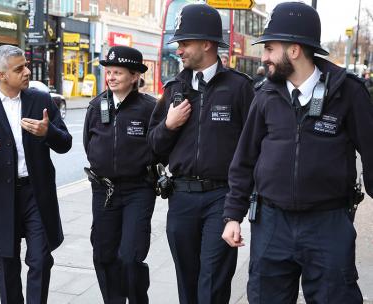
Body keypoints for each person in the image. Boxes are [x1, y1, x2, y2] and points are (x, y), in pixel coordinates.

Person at [221, 2, 373, 303]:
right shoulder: (264, 95)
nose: (264, 58)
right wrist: (232, 215)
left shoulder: (348, 92)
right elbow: (244, 159)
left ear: (293, 50)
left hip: (328, 224)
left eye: (270, 49)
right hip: (271, 224)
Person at [148, 3, 254, 303]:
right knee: (188, 280)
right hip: (181, 198)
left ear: (206, 44)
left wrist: (245, 199)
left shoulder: (239, 88)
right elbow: (153, 147)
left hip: (221, 198)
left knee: (213, 280)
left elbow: (254, 146)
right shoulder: (173, 88)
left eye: (184, 43)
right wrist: (168, 125)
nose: (178, 50)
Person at [0, 45, 72, 304]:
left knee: (41, 260)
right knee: (8, 266)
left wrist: (48, 132)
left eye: (26, 65)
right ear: (1, 75)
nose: (27, 71)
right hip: (2, 196)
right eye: (19, 68)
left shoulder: (41, 100)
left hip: (37, 193)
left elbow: (65, 142)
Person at [83, 46, 158, 304]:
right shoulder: (96, 106)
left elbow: (160, 146)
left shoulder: (149, 108)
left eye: (118, 72)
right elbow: (88, 143)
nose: (111, 77)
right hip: (103, 191)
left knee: (130, 256)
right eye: (109, 72)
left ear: (135, 76)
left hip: (139, 190)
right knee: (103, 255)